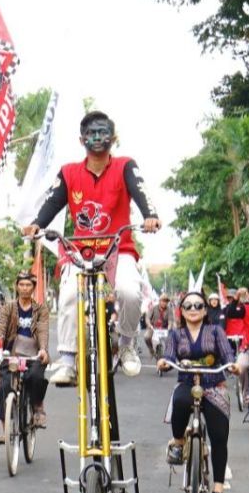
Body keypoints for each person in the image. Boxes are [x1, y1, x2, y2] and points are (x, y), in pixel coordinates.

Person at [22, 110, 161, 384]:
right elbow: (52, 202)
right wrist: (37, 224)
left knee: (129, 292)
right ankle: (68, 361)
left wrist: (150, 216)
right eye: (91, 133)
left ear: (114, 137)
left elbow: (142, 192)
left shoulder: (125, 166)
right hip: (81, 252)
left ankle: (126, 344)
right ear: (81, 139)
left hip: (119, 250)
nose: (97, 138)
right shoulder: (69, 172)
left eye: (102, 132)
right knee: (70, 295)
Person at [157, 291, 237, 493]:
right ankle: (179, 441)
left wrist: (232, 365)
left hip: (214, 385)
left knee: (219, 437)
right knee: (180, 401)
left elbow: (227, 355)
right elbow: (170, 356)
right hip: (187, 382)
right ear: (181, 310)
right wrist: (164, 362)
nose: (193, 309)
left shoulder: (215, 331)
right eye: (188, 305)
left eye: (198, 305)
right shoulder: (176, 334)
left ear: (205, 310)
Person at [0, 271, 50, 441]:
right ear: (17, 286)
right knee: (3, 386)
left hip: (33, 354)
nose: (25, 288)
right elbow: (1, 329)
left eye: (28, 285)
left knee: (36, 377)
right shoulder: (8, 307)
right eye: (22, 285)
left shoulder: (40, 309)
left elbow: (42, 330)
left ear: (33, 288)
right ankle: (5, 430)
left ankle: (37, 407)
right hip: (12, 353)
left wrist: (43, 349)